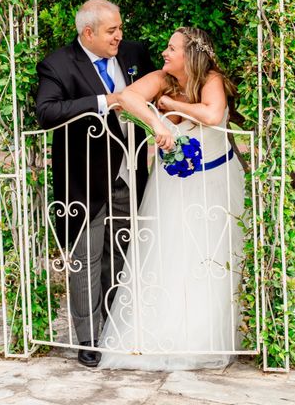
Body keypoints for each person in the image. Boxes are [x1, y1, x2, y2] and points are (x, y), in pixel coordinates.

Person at [98, 27, 246, 370]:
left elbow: (210, 115)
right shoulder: (162, 78)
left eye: (171, 48)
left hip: (214, 182)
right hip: (170, 185)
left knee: (208, 258)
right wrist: (157, 121)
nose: (164, 53)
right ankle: (160, 331)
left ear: (190, 54)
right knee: (167, 253)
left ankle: (202, 335)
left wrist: (171, 105)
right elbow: (126, 97)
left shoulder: (212, 80)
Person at [35, 0, 154, 367]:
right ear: (88, 33)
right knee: (85, 258)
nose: (120, 36)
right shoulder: (57, 64)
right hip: (83, 181)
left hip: (130, 174)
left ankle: (115, 328)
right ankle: (88, 339)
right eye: (111, 31)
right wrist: (104, 101)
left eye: (120, 28)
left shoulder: (134, 55)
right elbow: (47, 111)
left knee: (121, 254)